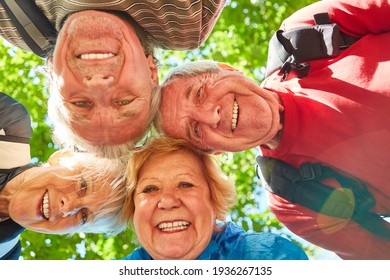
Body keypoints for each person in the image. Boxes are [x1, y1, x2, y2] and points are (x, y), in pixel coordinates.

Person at [156, 0, 390, 259]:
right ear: (214, 150)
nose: (211, 115)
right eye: (196, 131)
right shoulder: (294, 202)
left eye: (199, 93)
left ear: (228, 70)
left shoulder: (304, 32)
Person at [0, 1, 226, 158]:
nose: (99, 83)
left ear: (51, 75)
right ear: (151, 73)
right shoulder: (187, 21)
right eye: (124, 101)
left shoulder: (10, 21)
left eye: (81, 104)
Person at [120, 136, 308, 260]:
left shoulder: (269, 256)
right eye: (150, 188)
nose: (168, 201)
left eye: (185, 184)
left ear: (214, 203)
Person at [0, 92, 127, 260]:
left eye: (83, 216)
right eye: (83, 185)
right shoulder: (8, 123)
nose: (67, 208)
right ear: (62, 157)